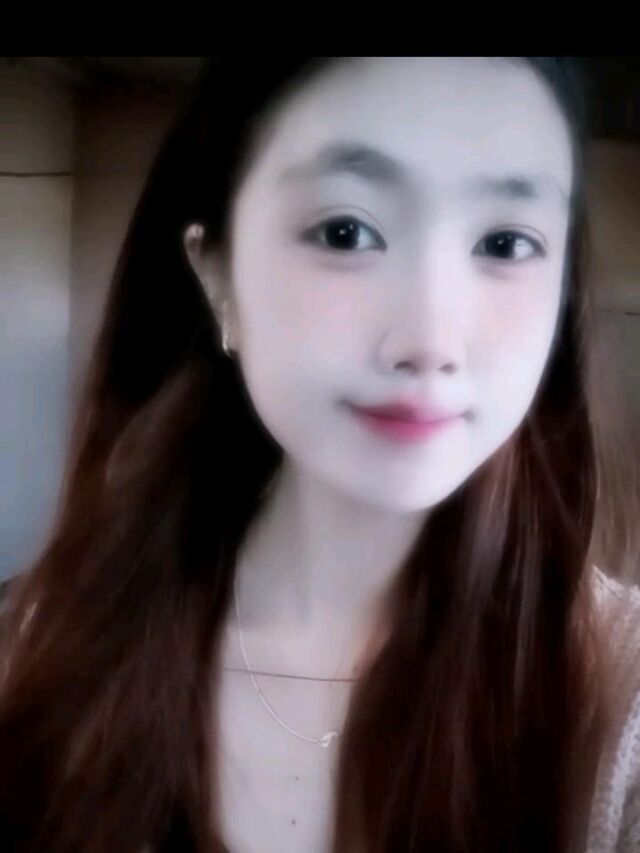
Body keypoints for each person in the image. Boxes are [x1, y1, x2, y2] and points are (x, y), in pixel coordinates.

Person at [0, 56, 639, 853]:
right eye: (346, 231)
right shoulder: (32, 652)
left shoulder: (621, 698)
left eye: (507, 243)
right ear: (215, 274)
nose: (430, 340)